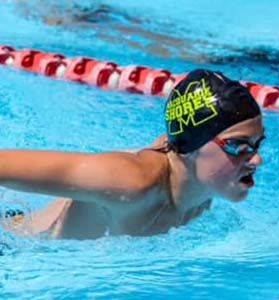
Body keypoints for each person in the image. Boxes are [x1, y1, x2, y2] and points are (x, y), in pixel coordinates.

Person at [0, 69, 265, 239]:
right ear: (190, 146)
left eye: (257, 144)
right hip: (14, 248)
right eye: (238, 146)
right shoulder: (129, 181)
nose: (256, 159)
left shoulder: (204, 184)